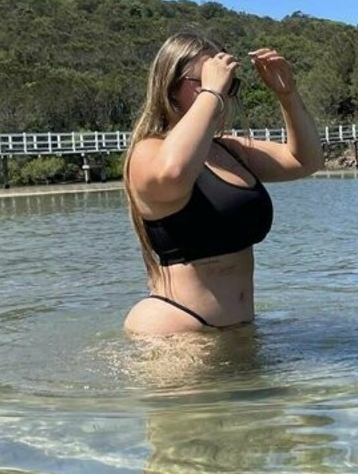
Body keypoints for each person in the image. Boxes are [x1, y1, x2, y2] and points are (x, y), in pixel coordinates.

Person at [123, 32, 324, 335]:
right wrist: (212, 93)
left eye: (227, 83)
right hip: (179, 329)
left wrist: (288, 95)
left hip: (239, 330)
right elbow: (173, 173)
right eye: (206, 79)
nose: (222, 92)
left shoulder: (229, 150)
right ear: (171, 87)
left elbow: (305, 160)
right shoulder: (147, 152)